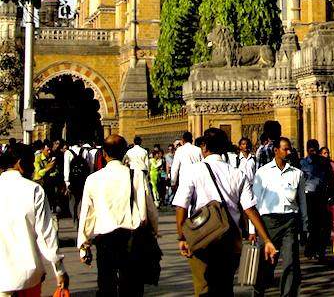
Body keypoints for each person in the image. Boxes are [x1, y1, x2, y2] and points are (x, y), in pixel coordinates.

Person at [173, 126, 277, 297]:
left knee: (204, 288)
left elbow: (181, 207)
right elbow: (250, 209)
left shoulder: (192, 171)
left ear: (204, 147)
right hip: (229, 238)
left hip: (200, 238)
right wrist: (266, 239)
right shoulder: (237, 174)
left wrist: (182, 237)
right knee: (225, 287)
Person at [77, 133, 158, 296]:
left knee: (106, 285)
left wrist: (84, 245)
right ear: (124, 153)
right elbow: (150, 209)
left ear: (104, 154)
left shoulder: (93, 179)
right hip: (132, 239)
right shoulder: (136, 175)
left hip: (105, 240)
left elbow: (87, 215)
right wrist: (154, 231)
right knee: (132, 287)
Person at [0, 142, 69, 297]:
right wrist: (59, 270)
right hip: (28, 276)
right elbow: (46, 234)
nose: (33, 167)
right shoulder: (34, 190)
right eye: (31, 162)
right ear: (20, 163)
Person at [252, 136, 308, 297]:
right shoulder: (263, 173)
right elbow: (254, 202)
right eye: (285, 149)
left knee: (291, 262)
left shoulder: (297, 174)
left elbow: (302, 202)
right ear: (276, 150)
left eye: (290, 149)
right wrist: (252, 229)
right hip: (268, 222)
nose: (288, 152)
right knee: (266, 263)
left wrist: (304, 225)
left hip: (289, 220)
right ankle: (258, 291)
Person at [299, 138, 334, 261]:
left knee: (324, 224)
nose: (313, 152)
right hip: (308, 196)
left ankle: (320, 250)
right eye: (311, 150)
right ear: (307, 150)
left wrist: (332, 193)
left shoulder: (324, 162)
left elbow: (331, 178)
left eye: (315, 149)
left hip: (322, 195)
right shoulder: (303, 163)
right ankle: (312, 249)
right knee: (312, 224)